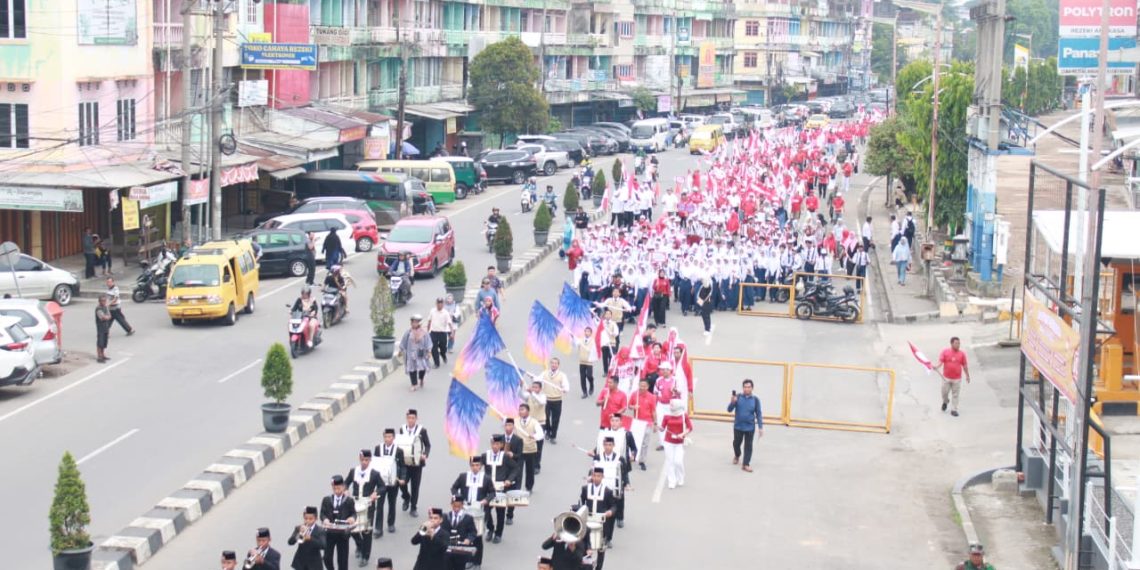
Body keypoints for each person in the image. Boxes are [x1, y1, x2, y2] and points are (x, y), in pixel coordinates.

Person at [450, 455, 495, 567]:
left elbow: (492, 493)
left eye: (477, 465)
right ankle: (468, 559)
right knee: (466, 535)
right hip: (465, 509)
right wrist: (459, 498)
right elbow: (454, 488)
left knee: (478, 537)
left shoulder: (486, 478)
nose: (475, 467)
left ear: (481, 466)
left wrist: (486, 500)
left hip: (479, 511)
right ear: (470, 466)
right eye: (473, 465)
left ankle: (477, 562)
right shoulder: (463, 476)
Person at [346, 449, 382, 567]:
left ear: (370, 460)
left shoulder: (374, 474)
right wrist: (346, 491)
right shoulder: (353, 471)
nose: (364, 462)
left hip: (368, 505)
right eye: (362, 460)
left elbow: (382, 487)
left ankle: (365, 556)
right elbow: (346, 483)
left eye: (367, 460)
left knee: (367, 531)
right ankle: (359, 544)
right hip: (354, 504)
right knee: (351, 527)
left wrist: (375, 493)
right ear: (359, 459)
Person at [483, 434, 518, 544]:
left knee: (500, 512)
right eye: (493, 444)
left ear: (501, 445)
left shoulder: (505, 457)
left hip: (500, 488)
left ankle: (498, 533)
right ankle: (490, 528)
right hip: (488, 489)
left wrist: (509, 479)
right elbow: (477, 465)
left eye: (497, 444)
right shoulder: (485, 455)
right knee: (486, 511)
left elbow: (516, 468)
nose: (495, 446)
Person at [372, 428, 406, 537]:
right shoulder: (378, 449)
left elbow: (403, 466)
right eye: (386, 437)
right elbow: (374, 464)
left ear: (393, 438)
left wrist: (403, 478)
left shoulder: (399, 451)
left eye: (390, 437)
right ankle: (378, 528)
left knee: (392, 503)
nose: (387, 439)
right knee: (380, 505)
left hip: (393, 482)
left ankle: (391, 523)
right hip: (381, 483)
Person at [399, 409, 432, 517]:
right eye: (409, 418)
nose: (411, 420)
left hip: (417, 463)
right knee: (402, 482)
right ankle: (406, 497)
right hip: (405, 463)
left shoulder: (422, 430)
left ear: (416, 419)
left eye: (413, 418)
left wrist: (425, 455)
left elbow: (427, 445)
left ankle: (413, 507)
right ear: (406, 418)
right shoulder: (402, 429)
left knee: (415, 486)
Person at [320, 475, 356, 570]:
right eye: (334, 488)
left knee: (343, 560)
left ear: (343, 487)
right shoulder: (327, 500)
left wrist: (352, 518)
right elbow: (322, 514)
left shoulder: (349, 501)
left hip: (342, 534)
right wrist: (325, 520)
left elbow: (353, 513)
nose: (336, 491)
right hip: (330, 533)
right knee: (327, 558)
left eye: (338, 488)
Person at [727, 379, 763, 472]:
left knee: (748, 446)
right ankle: (737, 455)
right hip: (738, 426)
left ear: (752, 388)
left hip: (750, 427)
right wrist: (732, 402)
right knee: (736, 443)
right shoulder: (737, 397)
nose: (747, 389)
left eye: (749, 387)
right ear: (743, 388)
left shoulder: (755, 400)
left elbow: (758, 413)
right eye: (745, 387)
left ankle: (746, 464)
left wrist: (760, 427)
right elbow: (729, 409)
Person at [579, 467, 617, 548]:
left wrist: (610, 511)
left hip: (602, 519)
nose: (596, 478)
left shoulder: (607, 491)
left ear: (602, 477)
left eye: (599, 476)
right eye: (594, 476)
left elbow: (613, 506)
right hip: (589, 517)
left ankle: (607, 539)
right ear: (592, 476)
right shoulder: (585, 489)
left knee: (600, 545)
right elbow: (581, 502)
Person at [935, 336, 971, 417]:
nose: (958, 345)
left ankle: (954, 409)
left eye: (959, 343)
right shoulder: (945, 352)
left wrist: (967, 375)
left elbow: (965, 366)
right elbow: (940, 362)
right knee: (944, 393)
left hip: (957, 379)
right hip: (946, 378)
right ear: (951, 344)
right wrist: (936, 367)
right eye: (956, 343)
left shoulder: (962, 354)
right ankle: (945, 401)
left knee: (955, 394)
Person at [660, 399, 692, 490]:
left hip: (679, 442)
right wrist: (659, 428)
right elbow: (663, 427)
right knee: (670, 462)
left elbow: (690, 427)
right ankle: (672, 481)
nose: (670, 407)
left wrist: (682, 434)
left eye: (672, 405)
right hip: (668, 441)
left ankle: (681, 477)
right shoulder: (666, 415)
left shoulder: (683, 415)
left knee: (678, 461)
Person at [441, 495, 479, 570]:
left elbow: (473, 532)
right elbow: (442, 530)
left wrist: (469, 539)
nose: (456, 508)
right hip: (448, 548)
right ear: (451, 505)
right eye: (454, 506)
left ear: (462, 505)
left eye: (459, 506)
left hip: (461, 549)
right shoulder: (446, 517)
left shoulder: (468, 518)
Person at [514, 403, 545, 496]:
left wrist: (534, 436)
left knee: (530, 470)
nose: (520, 412)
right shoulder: (515, 421)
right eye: (519, 410)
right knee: (518, 471)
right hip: (519, 450)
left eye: (522, 409)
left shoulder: (534, 422)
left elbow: (541, 434)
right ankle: (517, 488)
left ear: (528, 411)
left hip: (530, 449)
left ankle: (529, 487)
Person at [539, 357, 570, 444]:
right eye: (552, 363)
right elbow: (538, 381)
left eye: (555, 363)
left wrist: (564, 389)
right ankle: (548, 431)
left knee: (555, 419)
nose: (553, 365)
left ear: (558, 365)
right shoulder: (544, 373)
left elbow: (566, 387)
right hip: (546, 400)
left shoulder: (562, 375)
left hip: (557, 400)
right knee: (546, 418)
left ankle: (553, 436)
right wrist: (532, 378)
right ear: (550, 364)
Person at [628, 379, 657, 470]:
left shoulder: (652, 397)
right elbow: (629, 406)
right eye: (641, 385)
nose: (642, 387)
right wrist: (633, 407)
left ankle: (642, 461)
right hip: (637, 422)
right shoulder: (634, 395)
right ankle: (633, 456)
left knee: (645, 443)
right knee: (634, 441)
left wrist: (655, 423)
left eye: (644, 386)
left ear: (648, 387)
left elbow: (653, 411)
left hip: (647, 423)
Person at [398, 315, 433, 391]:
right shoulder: (408, 332)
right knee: (412, 369)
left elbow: (428, 342)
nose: (414, 324)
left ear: (419, 323)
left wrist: (429, 351)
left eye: (416, 322)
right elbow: (403, 342)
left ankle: (421, 378)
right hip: (411, 354)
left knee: (422, 368)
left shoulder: (424, 333)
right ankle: (414, 384)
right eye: (413, 322)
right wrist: (400, 350)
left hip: (421, 353)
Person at [286, 506, 326, 570]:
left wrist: (310, 538)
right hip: (300, 562)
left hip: (314, 563)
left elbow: (323, 545)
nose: (308, 521)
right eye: (306, 518)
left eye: (310, 519)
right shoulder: (299, 528)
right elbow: (290, 542)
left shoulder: (320, 530)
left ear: (316, 519)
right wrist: (298, 534)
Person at [427, 298, 455, 368]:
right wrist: (427, 332)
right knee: (433, 348)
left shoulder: (445, 313)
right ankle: (437, 363)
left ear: (443, 304)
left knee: (443, 348)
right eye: (438, 303)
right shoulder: (432, 311)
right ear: (436, 304)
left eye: (441, 303)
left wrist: (452, 332)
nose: (439, 305)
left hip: (442, 333)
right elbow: (429, 321)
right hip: (433, 332)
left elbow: (450, 323)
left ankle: (443, 355)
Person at [577, 327, 597, 398]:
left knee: (589, 375)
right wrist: (572, 338)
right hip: (582, 361)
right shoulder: (580, 340)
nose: (587, 333)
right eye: (586, 331)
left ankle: (591, 384)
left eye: (588, 332)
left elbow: (595, 350)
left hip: (589, 361)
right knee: (582, 377)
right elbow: (575, 343)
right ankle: (584, 392)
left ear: (591, 333)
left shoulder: (593, 341)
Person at [95, 294, 113, 363]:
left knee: (105, 342)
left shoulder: (105, 307)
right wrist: (106, 317)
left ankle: (103, 354)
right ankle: (99, 356)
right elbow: (102, 317)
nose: (104, 302)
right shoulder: (98, 309)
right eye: (102, 301)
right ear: (99, 301)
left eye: (105, 301)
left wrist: (106, 317)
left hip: (106, 327)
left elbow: (109, 316)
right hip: (100, 328)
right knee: (100, 342)